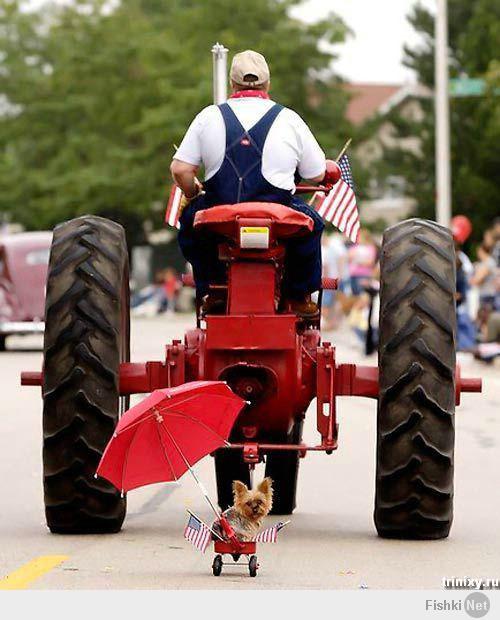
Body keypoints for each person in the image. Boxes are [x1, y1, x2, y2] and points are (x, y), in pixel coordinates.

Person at [170, 50, 327, 317]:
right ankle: (298, 296)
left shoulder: (209, 116)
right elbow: (318, 174)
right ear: (268, 84)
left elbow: (181, 169)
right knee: (313, 227)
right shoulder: (289, 119)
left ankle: (213, 290)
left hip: (219, 211)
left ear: (232, 84)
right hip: (279, 213)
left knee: (190, 225)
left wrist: (194, 191)